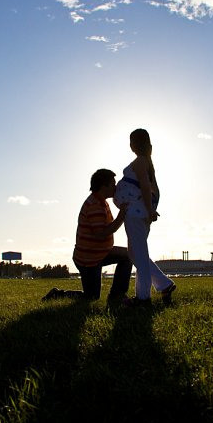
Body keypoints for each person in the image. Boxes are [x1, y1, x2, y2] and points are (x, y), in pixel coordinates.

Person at [43, 169, 132, 303]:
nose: (115, 187)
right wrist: (122, 215)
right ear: (103, 186)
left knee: (128, 255)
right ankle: (57, 294)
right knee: (91, 297)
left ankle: (117, 295)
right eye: (112, 184)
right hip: (88, 259)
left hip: (100, 253)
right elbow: (101, 234)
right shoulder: (94, 205)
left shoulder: (102, 201)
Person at [115, 128, 176, 305]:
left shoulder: (141, 161)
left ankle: (143, 298)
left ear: (134, 144)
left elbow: (144, 186)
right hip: (138, 212)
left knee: (138, 255)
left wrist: (149, 210)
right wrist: (149, 209)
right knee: (135, 254)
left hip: (136, 213)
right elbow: (152, 189)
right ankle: (163, 284)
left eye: (131, 141)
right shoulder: (147, 162)